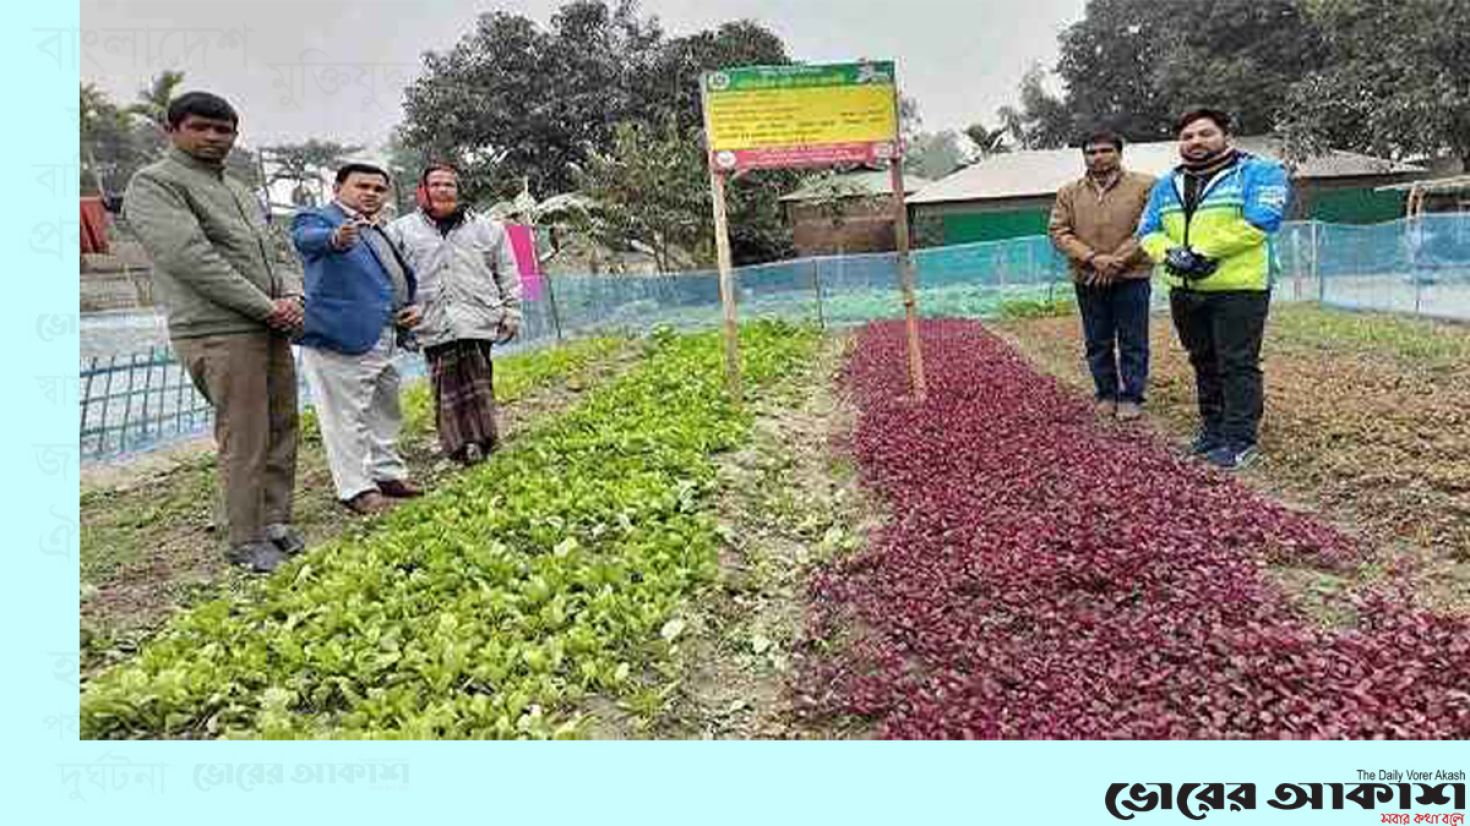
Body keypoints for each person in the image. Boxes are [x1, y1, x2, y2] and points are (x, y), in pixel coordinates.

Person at [124, 91, 306, 572]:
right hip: (219, 328)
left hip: (269, 323)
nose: (212, 137)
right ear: (173, 130)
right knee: (244, 433)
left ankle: (275, 521)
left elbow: (278, 250)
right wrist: (267, 307)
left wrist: (292, 297)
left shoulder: (240, 190)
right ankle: (245, 538)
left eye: (223, 129)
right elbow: (191, 258)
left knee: (282, 423)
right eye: (200, 127)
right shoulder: (156, 184)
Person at [1137, 107, 1291, 470]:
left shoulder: (1259, 173)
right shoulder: (1167, 184)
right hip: (1185, 286)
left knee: (1236, 362)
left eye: (1205, 134)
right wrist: (1170, 254)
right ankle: (1212, 428)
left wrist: (1203, 251)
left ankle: (1239, 438)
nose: (1195, 142)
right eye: (1188, 137)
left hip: (1239, 287)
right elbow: (1147, 231)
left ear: (1227, 137)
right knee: (1202, 360)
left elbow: (1261, 220)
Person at [292, 163, 426, 515]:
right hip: (340, 336)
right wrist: (335, 238)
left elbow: (386, 278)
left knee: (386, 409)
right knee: (344, 416)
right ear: (337, 188)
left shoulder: (376, 229)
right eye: (361, 186)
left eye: (379, 189)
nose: (371, 193)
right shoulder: (318, 218)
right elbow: (304, 239)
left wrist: (410, 306)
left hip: (385, 333)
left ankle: (387, 474)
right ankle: (355, 487)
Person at [388, 164, 523, 466]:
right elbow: (389, 276)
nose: (443, 189)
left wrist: (512, 311)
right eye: (436, 184)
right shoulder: (400, 230)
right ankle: (458, 448)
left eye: (449, 184)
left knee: (480, 382)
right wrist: (396, 314)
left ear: (457, 190)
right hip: (431, 319)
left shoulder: (488, 228)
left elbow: (508, 272)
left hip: (477, 317)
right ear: (423, 190)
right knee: (445, 387)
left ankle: (488, 440)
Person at [1048, 130, 1156, 420]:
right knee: (1097, 339)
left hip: (1132, 275)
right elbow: (1058, 232)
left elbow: (1150, 228)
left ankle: (1131, 395)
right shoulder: (1068, 192)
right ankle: (1106, 393)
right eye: (1091, 152)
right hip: (1088, 276)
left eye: (1105, 150)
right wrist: (1094, 259)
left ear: (1119, 153)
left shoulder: (1145, 185)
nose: (1098, 157)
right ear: (1084, 156)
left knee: (1133, 339)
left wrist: (1116, 262)